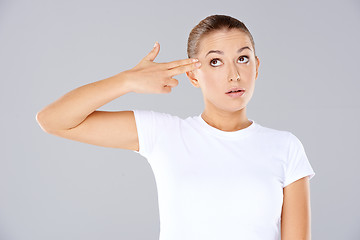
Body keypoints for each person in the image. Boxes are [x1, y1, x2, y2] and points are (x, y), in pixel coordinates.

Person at [36, 14, 315, 240]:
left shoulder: (285, 147)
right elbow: (52, 120)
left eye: (242, 58)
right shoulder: (165, 134)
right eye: (215, 61)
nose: (234, 75)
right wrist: (127, 81)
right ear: (194, 75)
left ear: (256, 66)